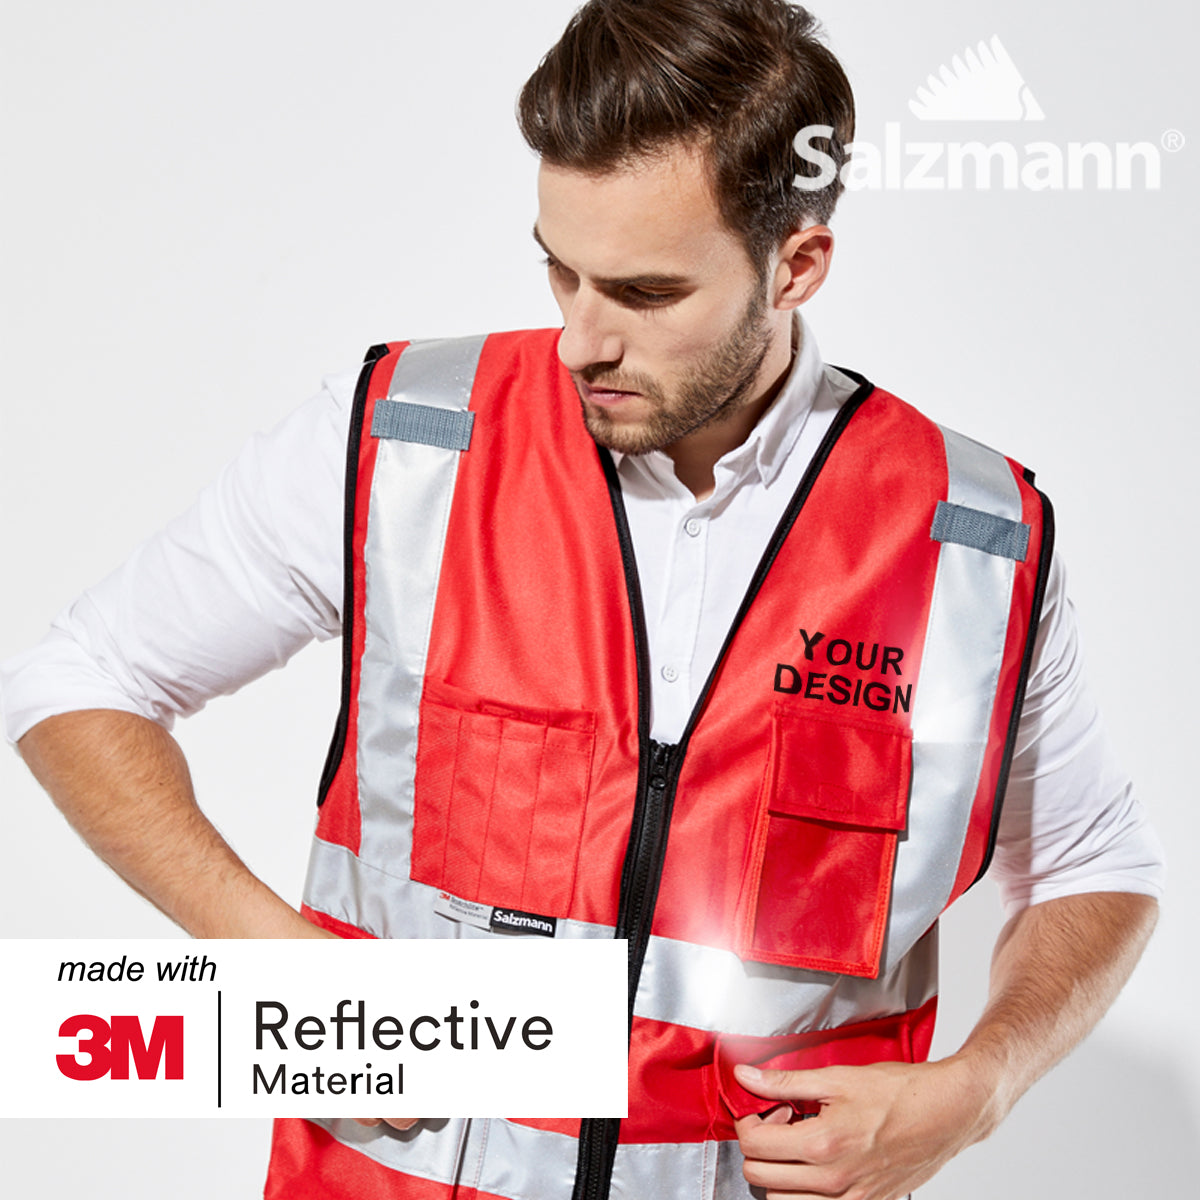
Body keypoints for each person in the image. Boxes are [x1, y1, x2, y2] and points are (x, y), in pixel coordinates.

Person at [0, 1, 1164, 1198]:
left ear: (798, 263)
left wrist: (981, 1090)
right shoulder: (411, 444)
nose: (579, 339)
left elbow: (1091, 861)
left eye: (646, 293)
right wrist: (283, 975)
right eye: (561, 270)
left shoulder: (973, 537)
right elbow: (78, 682)